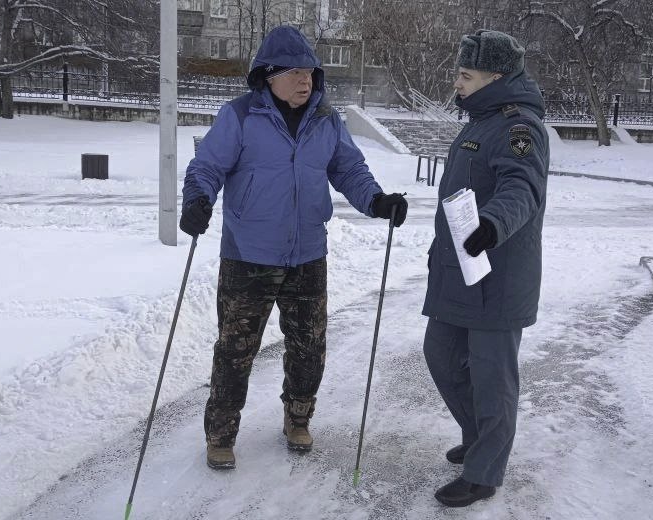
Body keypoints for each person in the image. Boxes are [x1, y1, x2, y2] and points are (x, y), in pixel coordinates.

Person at [180, 25, 408, 470]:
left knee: (309, 346)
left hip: (307, 255)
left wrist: (377, 201)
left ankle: (298, 419)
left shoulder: (327, 120)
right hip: (248, 256)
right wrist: (198, 199)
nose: (305, 80)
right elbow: (207, 165)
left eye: (310, 72)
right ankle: (221, 435)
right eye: (294, 72)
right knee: (235, 351)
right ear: (269, 75)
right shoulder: (240, 116)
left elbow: (349, 170)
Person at [421, 30, 549, 507]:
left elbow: (523, 188)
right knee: (441, 355)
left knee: (494, 380)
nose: (457, 82)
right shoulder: (479, 119)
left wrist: (493, 225)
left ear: (496, 77)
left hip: (497, 276)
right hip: (459, 272)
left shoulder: (520, 127)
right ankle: (478, 437)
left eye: (465, 74)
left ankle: (484, 473)